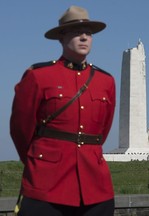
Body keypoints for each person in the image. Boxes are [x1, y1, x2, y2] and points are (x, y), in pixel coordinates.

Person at [10, 5, 116, 216]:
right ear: (61, 37)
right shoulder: (39, 76)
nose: (84, 37)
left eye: (88, 33)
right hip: (46, 182)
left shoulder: (106, 81)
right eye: (77, 32)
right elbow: (20, 130)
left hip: (95, 185)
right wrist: (39, 160)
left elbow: (102, 132)